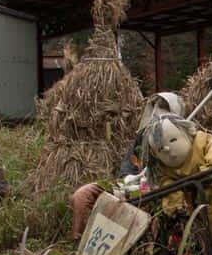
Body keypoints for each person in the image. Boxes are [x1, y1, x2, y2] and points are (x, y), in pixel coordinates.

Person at [70, 92, 183, 241]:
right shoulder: (142, 139)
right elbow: (127, 169)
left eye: (164, 107)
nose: (157, 111)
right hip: (132, 187)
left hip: (158, 193)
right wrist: (128, 184)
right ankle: (82, 242)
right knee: (82, 195)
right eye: (156, 106)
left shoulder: (181, 141)